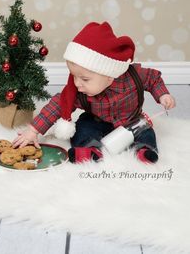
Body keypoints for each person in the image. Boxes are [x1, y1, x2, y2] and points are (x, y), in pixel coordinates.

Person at [12, 22, 175, 163]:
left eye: (84, 79)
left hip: (130, 120)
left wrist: (163, 95)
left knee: (145, 131)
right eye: (74, 76)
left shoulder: (134, 76)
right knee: (82, 127)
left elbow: (154, 78)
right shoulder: (79, 90)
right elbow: (58, 105)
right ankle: (88, 149)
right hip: (97, 120)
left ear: (109, 75)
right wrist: (33, 130)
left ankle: (144, 150)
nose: (77, 83)